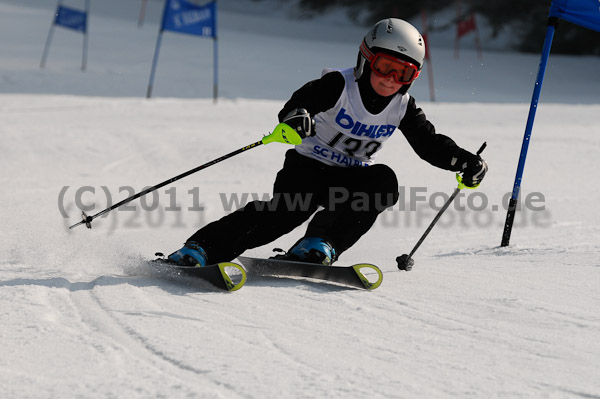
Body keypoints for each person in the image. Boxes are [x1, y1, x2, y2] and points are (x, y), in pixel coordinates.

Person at [167, 18, 488, 267]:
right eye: (385, 67)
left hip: (350, 178)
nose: (391, 79)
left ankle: (319, 244)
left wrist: (463, 161)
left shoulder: (403, 107)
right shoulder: (339, 85)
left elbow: (429, 144)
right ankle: (202, 249)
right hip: (306, 169)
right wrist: (296, 117)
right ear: (366, 59)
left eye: (403, 73)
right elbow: (300, 102)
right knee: (284, 214)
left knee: (383, 182)